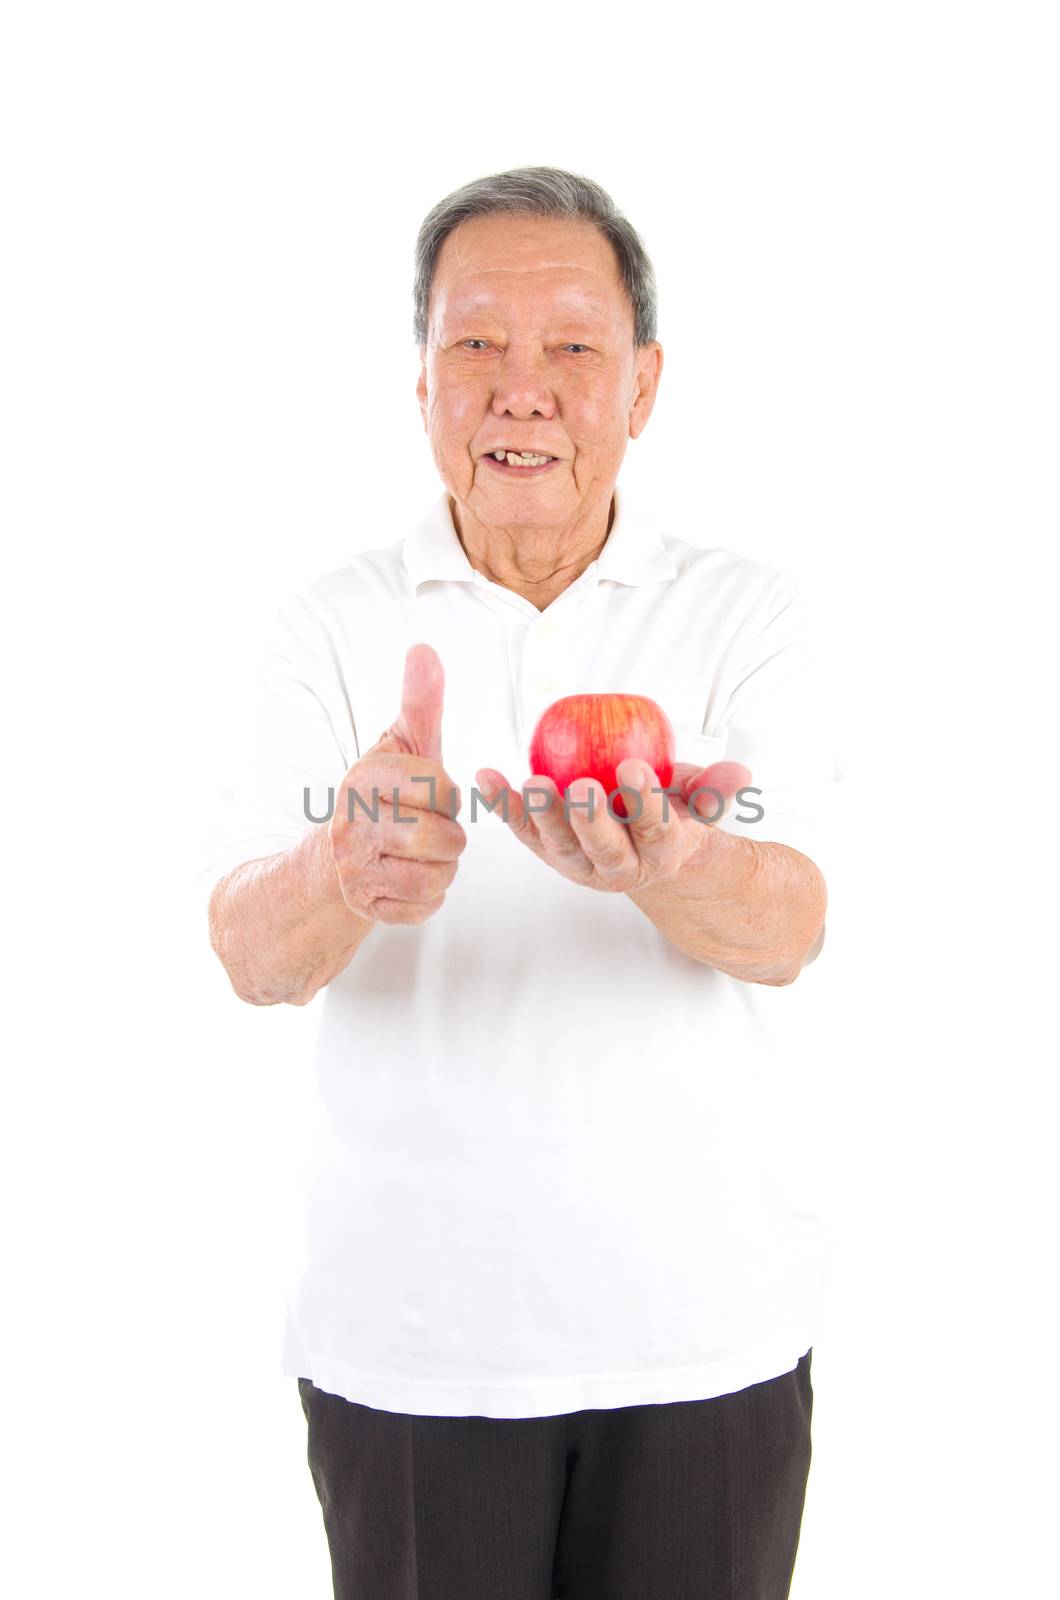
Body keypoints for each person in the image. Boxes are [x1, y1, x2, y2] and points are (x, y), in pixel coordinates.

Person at [201, 165, 842, 1599]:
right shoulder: (330, 626)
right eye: (477, 344)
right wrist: (339, 866)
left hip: (707, 1343)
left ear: (644, 383)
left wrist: (676, 862)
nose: (523, 389)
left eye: (572, 347)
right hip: (412, 1352)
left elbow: (794, 922)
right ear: (421, 381)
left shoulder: (746, 613)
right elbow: (248, 950)